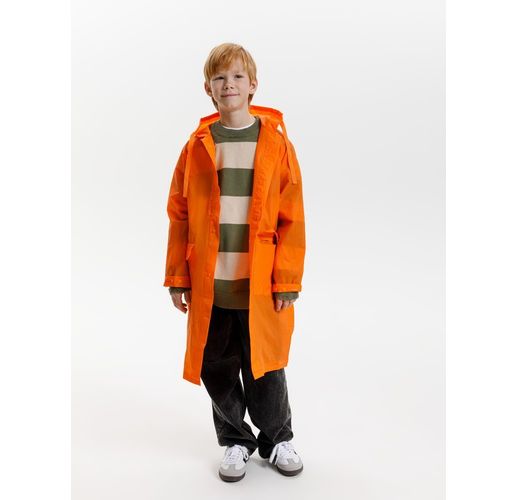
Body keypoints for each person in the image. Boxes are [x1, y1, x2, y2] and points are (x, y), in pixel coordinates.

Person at [163, 42, 306, 482]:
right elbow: (179, 214)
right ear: (208, 88)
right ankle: (235, 441)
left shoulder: (275, 143)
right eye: (220, 78)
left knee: (266, 366)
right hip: (213, 284)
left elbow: (292, 216)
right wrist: (178, 277)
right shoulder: (197, 147)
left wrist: (286, 280)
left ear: (253, 85)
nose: (229, 85)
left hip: (259, 284)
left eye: (238, 77)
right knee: (218, 366)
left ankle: (277, 437)